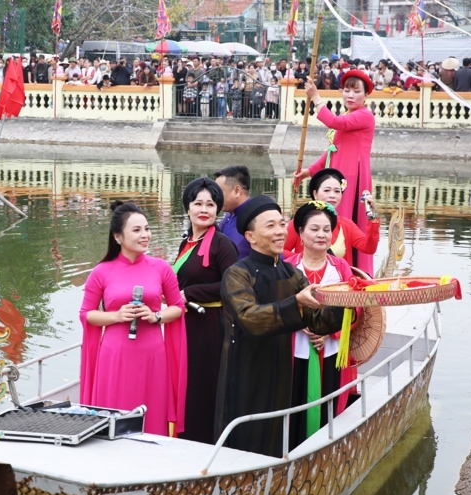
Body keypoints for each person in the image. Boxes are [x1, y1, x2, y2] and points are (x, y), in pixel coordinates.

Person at [214, 195, 345, 457]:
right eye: (270, 226)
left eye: (281, 224)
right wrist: (295, 302)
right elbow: (249, 318)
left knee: (275, 430)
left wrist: (347, 300)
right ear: (250, 236)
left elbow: (317, 321)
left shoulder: (291, 273)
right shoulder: (238, 273)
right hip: (245, 367)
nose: (279, 232)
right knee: (244, 433)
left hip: (280, 365)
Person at [79, 201, 187, 436]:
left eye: (147, 229)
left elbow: (178, 307)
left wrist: (156, 316)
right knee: (115, 415)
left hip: (152, 353)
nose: (145, 235)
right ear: (118, 236)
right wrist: (116, 316)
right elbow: (87, 315)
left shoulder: (161, 268)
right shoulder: (102, 271)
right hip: (115, 354)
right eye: (137, 230)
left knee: (151, 415)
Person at [284, 201, 358, 447]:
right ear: (301, 233)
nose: (321, 235)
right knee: (293, 402)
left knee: (329, 400)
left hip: (331, 349)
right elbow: (275, 305)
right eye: (314, 229)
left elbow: (356, 306)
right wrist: (297, 321)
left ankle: (326, 451)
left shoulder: (341, 267)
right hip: (293, 348)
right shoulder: (286, 267)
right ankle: (292, 449)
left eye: (327, 230)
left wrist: (331, 332)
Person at [293, 69, 376, 275]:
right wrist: (309, 171)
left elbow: (333, 123)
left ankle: (352, 271)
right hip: (337, 174)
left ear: (366, 95)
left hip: (352, 178)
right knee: (330, 218)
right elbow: (332, 149)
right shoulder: (347, 114)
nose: (350, 95)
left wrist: (315, 97)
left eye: (356, 91)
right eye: (346, 90)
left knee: (345, 224)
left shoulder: (364, 115)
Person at [175, 178, 238, 444]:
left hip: (210, 325)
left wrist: (190, 294)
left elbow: (232, 284)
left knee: (204, 381)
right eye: (198, 203)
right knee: (186, 380)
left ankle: (204, 440)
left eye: (210, 204)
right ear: (187, 208)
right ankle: (183, 432)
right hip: (185, 322)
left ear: (218, 209)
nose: (204, 209)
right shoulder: (187, 242)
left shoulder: (222, 244)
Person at [283, 169, 379, 268]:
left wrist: (372, 218)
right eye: (327, 190)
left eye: (337, 191)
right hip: (304, 280)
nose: (332, 195)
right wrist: (304, 260)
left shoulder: (347, 225)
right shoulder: (300, 222)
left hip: (339, 281)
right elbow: (279, 251)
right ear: (315, 194)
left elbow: (369, 248)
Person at [214, 165, 252, 260]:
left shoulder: (258, 218)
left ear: (237, 191)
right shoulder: (229, 216)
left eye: (219, 192)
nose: (215, 197)